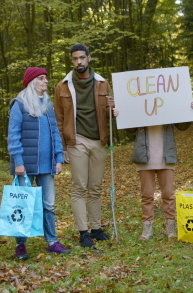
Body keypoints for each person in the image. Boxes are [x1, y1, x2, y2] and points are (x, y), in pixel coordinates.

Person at [54, 44, 114, 248]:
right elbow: (59, 119)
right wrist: (61, 148)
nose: (78, 62)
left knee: (95, 187)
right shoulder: (63, 86)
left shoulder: (103, 83)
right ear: (72, 61)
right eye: (74, 59)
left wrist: (113, 109)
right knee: (79, 187)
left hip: (99, 140)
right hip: (76, 140)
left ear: (89, 58)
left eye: (81, 58)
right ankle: (83, 232)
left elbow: (109, 115)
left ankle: (96, 228)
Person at [8, 67, 70, 260]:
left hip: (46, 165)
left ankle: (52, 242)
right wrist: (18, 162)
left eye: (46, 78)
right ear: (31, 82)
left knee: (48, 205)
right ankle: (20, 246)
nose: (46, 82)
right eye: (41, 78)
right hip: (24, 166)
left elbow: (55, 134)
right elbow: (13, 136)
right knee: (22, 205)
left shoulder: (48, 105)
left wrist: (58, 158)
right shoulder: (19, 105)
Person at [113, 101, 193, 241]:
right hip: (145, 156)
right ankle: (147, 230)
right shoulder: (140, 105)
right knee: (147, 195)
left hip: (166, 156)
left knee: (168, 194)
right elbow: (130, 129)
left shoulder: (168, 103)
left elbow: (182, 125)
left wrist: (189, 110)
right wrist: (120, 115)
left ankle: (171, 229)